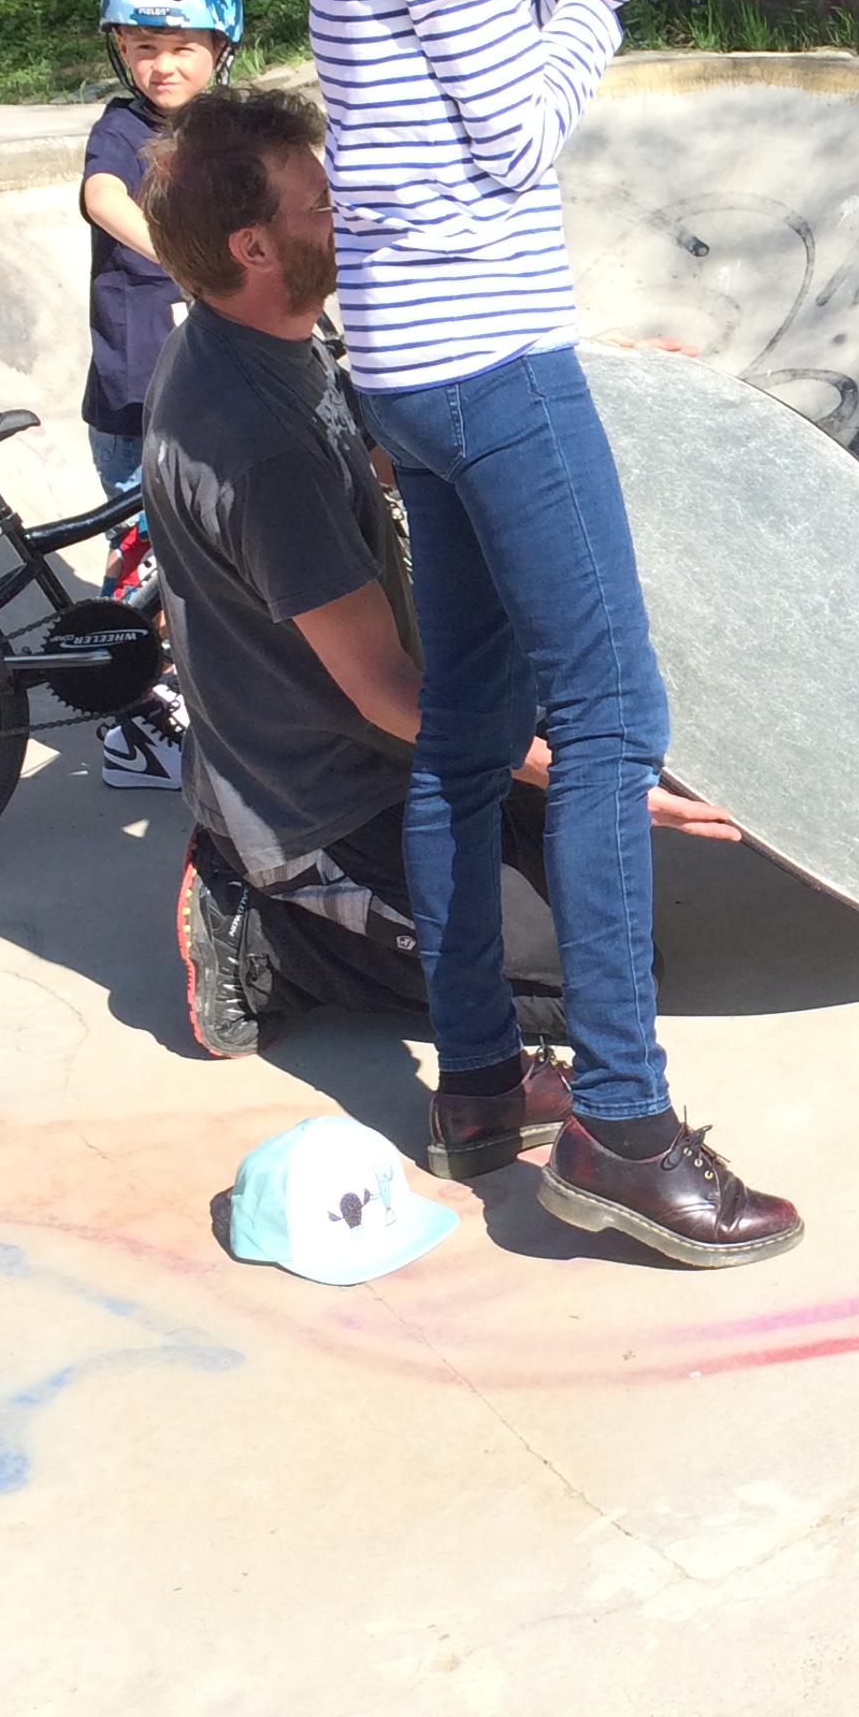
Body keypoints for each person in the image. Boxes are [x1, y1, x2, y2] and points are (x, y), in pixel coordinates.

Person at [306, 0, 802, 1270]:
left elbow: (454, 59)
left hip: (407, 366)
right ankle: (620, 1120)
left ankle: (476, 1083)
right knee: (609, 718)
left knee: (460, 732)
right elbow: (514, 120)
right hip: (491, 358)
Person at [135, 84, 730, 1177]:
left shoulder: (274, 331)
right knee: (572, 969)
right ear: (253, 245)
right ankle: (264, 927)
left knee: (596, 890)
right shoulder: (254, 444)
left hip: (394, 744)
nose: (350, 217)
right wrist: (589, 769)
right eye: (325, 206)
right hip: (321, 799)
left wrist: (613, 378)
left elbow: (420, 412)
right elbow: (382, 693)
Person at [79, 0, 239, 787]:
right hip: (138, 392)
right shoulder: (123, 128)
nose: (161, 65)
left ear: (221, 48)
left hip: (205, 385)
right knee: (141, 565)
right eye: (142, 47)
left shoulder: (225, 133)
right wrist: (178, 254)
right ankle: (129, 729)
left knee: (197, 561)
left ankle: (190, 695)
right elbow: (102, 194)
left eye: (181, 47)